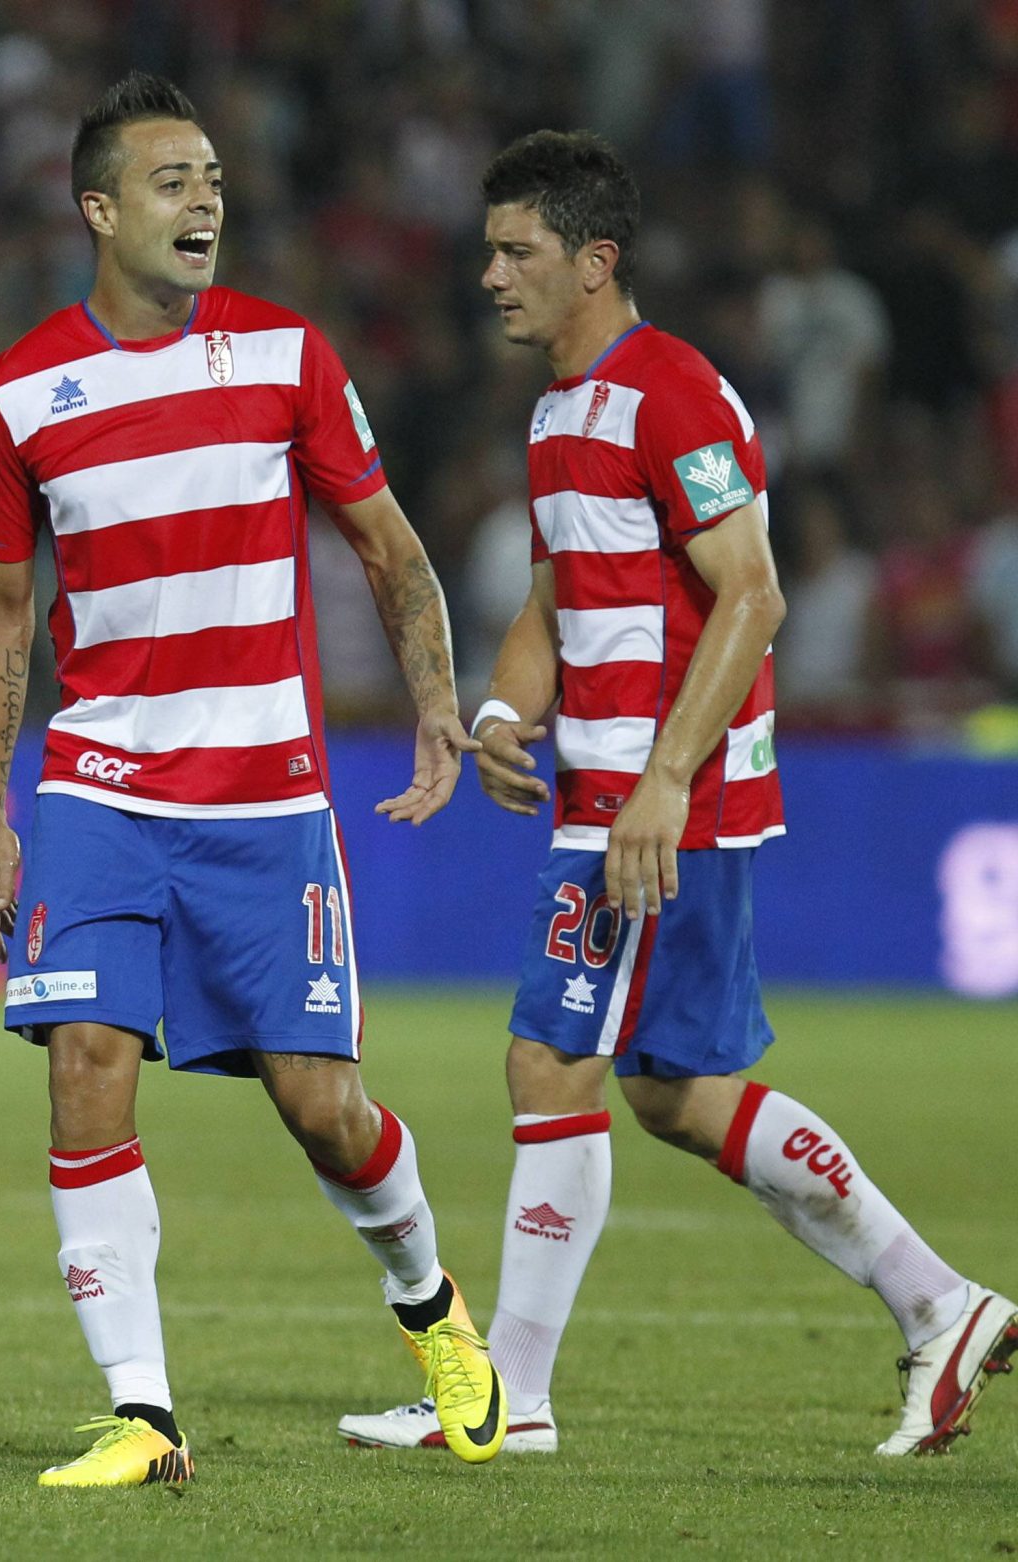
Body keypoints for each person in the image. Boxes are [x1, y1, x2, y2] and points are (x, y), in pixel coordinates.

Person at [338, 130, 1015, 1458]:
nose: (489, 275)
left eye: (515, 250)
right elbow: (551, 601)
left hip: (661, 802)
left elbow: (752, 591)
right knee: (674, 1091)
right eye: (487, 249)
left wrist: (660, 777)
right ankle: (944, 1302)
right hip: (603, 784)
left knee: (552, 1058)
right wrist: (495, 713)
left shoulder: (674, 395)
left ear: (594, 261)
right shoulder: (557, 414)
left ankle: (509, 1399)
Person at [0, 72, 504, 1488]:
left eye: (212, 178)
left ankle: (434, 1309)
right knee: (86, 1070)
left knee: (322, 1103)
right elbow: (2, 612)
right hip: (99, 789)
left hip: (265, 803)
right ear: (98, 209)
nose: (205, 200)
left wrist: (438, 706)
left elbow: (385, 544)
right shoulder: (20, 395)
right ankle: (142, 1413)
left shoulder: (285, 357)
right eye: (171, 180)